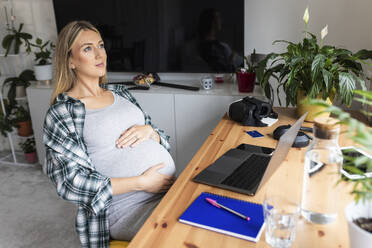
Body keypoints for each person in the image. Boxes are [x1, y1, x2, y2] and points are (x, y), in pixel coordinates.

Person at [43, 20, 176, 247]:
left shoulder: (121, 92)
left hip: (166, 188)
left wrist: (151, 131)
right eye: (87, 48)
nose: (99, 54)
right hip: (126, 208)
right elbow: (70, 182)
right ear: (70, 61)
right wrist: (141, 183)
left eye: (101, 45)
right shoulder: (63, 112)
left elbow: (162, 138)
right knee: (186, 232)